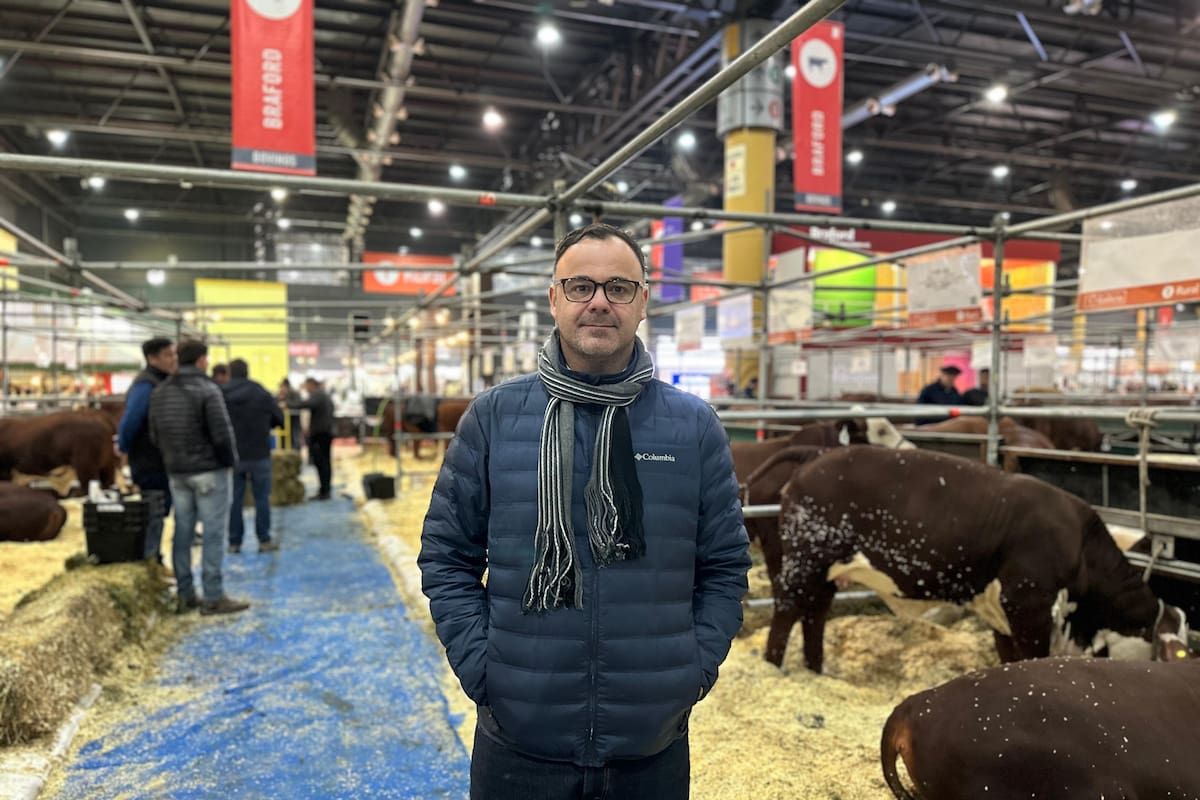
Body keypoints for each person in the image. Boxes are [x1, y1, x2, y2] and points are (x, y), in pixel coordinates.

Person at [419, 222, 751, 800]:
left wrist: (689, 675)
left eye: (619, 287)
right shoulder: (496, 417)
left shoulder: (693, 427)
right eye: (580, 286)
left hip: (650, 747)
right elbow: (446, 556)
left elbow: (724, 565)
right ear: (554, 298)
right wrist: (485, 671)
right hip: (519, 740)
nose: (599, 301)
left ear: (643, 301)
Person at [149, 340, 249, 616]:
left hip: (177, 471)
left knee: (182, 532)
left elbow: (155, 434)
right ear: (202, 361)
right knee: (214, 533)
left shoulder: (160, 392)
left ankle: (185, 594)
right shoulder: (207, 390)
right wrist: (230, 462)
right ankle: (213, 595)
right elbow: (221, 433)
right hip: (208, 471)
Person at [116, 337, 178, 568]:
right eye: (168, 355)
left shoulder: (161, 381)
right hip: (149, 459)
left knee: (159, 512)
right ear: (153, 358)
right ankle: (151, 561)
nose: (174, 359)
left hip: (159, 459)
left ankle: (154, 558)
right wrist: (122, 445)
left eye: (174, 354)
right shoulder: (146, 385)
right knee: (153, 512)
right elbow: (131, 419)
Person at [221, 359, 284, 554]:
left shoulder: (221, 393)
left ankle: (234, 542)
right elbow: (279, 418)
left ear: (230, 373)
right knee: (262, 498)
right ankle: (264, 540)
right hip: (259, 453)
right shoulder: (261, 392)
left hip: (233, 455)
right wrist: (266, 426)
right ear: (248, 372)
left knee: (234, 500)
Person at [289, 377, 335, 500]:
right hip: (325, 432)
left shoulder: (318, 396)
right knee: (324, 462)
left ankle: (325, 491)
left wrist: (287, 404)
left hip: (321, 434)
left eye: (307, 386)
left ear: (311, 385)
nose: (306, 389)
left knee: (322, 462)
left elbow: (305, 404)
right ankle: (325, 489)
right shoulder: (323, 395)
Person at [278, 378, 303, 451]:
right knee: (284, 439)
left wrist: (287, 404)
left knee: (295, 438)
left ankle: (295, 454)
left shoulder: (294, 393)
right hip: (284, 421)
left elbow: (299, 404)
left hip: (294, 420)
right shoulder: (281, 394)